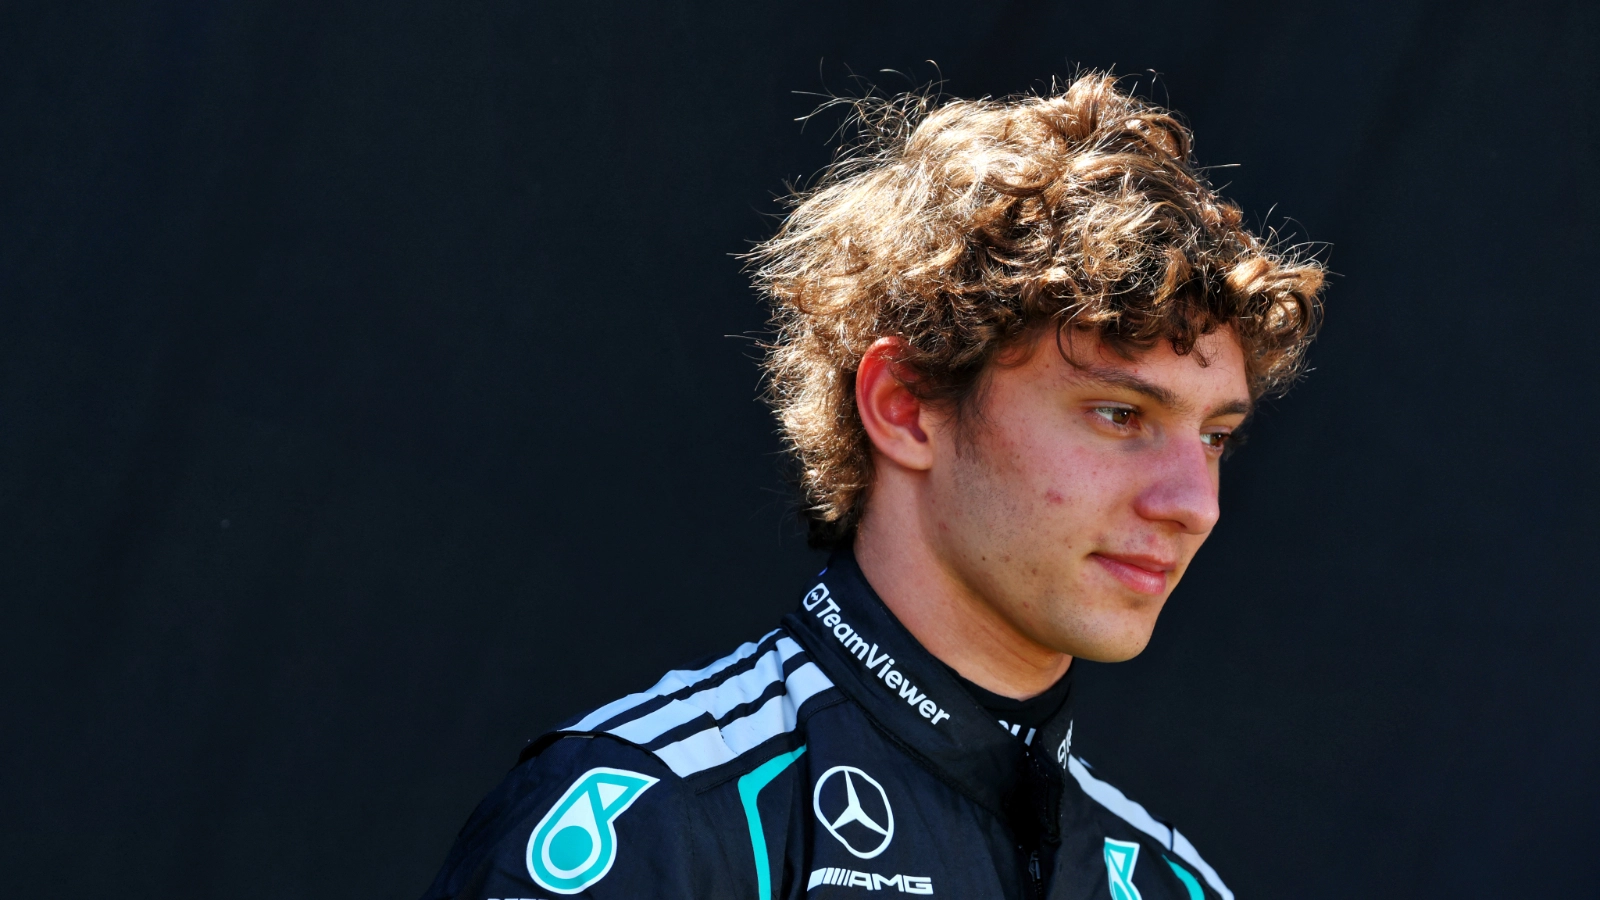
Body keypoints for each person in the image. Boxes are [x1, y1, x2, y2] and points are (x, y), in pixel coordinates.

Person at [422, 72, 1324, 900]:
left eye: (1213, 438)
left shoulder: (1176, 887)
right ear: (904, 406)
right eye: (1119, 414)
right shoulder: (654, 824)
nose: (1193, 505)